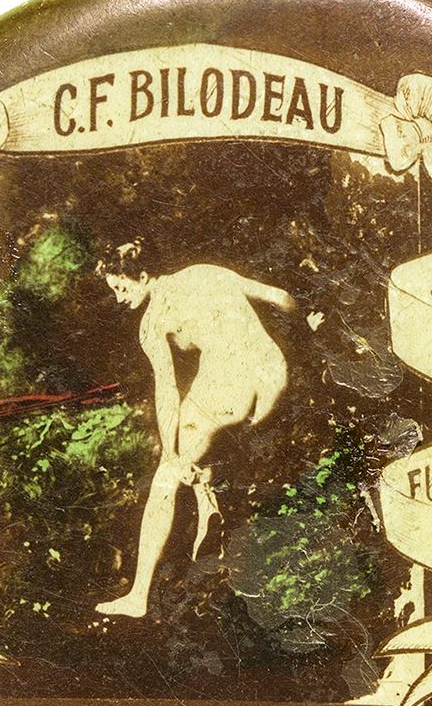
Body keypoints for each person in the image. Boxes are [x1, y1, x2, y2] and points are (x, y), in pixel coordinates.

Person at [95, 261, 295, 618]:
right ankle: (207, 491)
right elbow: (280, 298)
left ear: (144, 273)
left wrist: (171, 454)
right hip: (273, 376)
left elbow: (167, 393)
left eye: (122, 287)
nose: (119, 298)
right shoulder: (204, 272)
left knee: (167, 475)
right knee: (204, 437)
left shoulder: (152, 323)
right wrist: (305, 336)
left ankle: (138, 595)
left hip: (231, 389)